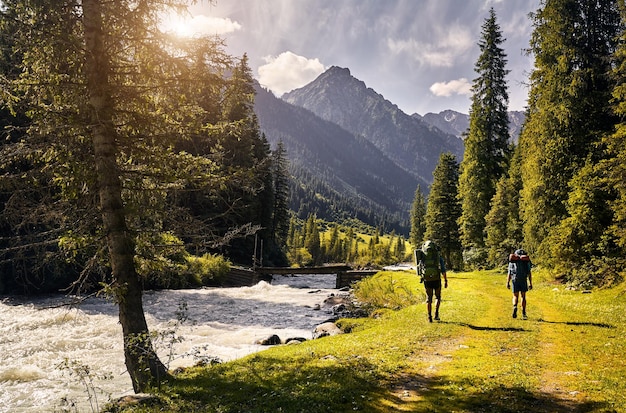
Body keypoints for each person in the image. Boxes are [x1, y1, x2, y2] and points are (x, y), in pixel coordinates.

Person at [415, 240, 448, 322]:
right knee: (438, 297)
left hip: (427, 279)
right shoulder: (438, 256)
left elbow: (419, 266)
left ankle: (429, 317)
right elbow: (443, 270)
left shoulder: (423, 256)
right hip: (436, 278)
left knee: (429, 298)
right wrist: (445, 280)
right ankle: (436, 314)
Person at [507, 249, 533, 320]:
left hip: (515, 279)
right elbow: (529, 273)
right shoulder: (526, 261)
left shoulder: (512, 261)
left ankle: (515, 306)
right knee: (523, 297)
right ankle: (524, 313)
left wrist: (508, 283)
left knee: (515, 296)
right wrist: (530, 283)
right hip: (523, 280)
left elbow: (509, 273)